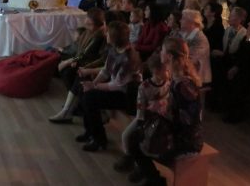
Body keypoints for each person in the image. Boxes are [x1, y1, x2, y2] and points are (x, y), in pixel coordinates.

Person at [128, 37, 203, 185]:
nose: (160, 52)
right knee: (139, 134)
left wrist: (163, 111)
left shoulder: (183, 84)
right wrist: (162, 106)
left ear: (168, 56)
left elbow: (187, 121)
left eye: (162, 50)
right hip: (179, 133)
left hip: (186, 141)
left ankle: (155, 180)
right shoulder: (177, 77)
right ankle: (149, 174)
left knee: (136, 141)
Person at [76, 21, 141, 152]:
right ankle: (90, 132)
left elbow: (117, 85)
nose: (106, 34)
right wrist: (93, 84)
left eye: (108, 33)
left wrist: (94, 86)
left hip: (127, 95)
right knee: (83, 90)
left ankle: (99, 140)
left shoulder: (128, 58)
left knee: (90, 98)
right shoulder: (114, 49)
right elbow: (106, 71)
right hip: (117, 89)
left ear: (114, 37)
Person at [113, 53, 171, 173]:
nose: (168, 72)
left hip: (161, 119)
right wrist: (142, 119)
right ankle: (129, 158)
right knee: (126, 136)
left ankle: (143, 166)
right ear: (156, 71)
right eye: (166, 70)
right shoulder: (144, 87)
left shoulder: (168, 84)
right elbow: (140, 106)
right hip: (146, 117)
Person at [49, 8, 107, 123]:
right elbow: (80, 49)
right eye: (87, 22)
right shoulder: (91, 31)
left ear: (97, 24)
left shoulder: (99, 35)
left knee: (76, 74)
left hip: (91, 65)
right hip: (85, 63)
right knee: (66, 71)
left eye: (90, 24)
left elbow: (86, 54)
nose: (87, 25)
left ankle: (67, 111)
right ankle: (75, 105)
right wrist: (72, 59)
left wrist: (70, 61)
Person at [209, 7, 247, 112]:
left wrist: (223, 54)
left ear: (240, 19)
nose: (229, 17)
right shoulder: (228, 30)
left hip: (234, 64)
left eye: (232, 15)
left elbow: (241, 53)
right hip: (224, 63)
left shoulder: (244, 34)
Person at [180, 9, 212, 85]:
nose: (180, 20)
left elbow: (192, 58)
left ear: (191, 22)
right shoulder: (185, 34)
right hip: (189, 74)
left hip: (198, 77)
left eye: (183, 19)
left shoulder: (199, 37)